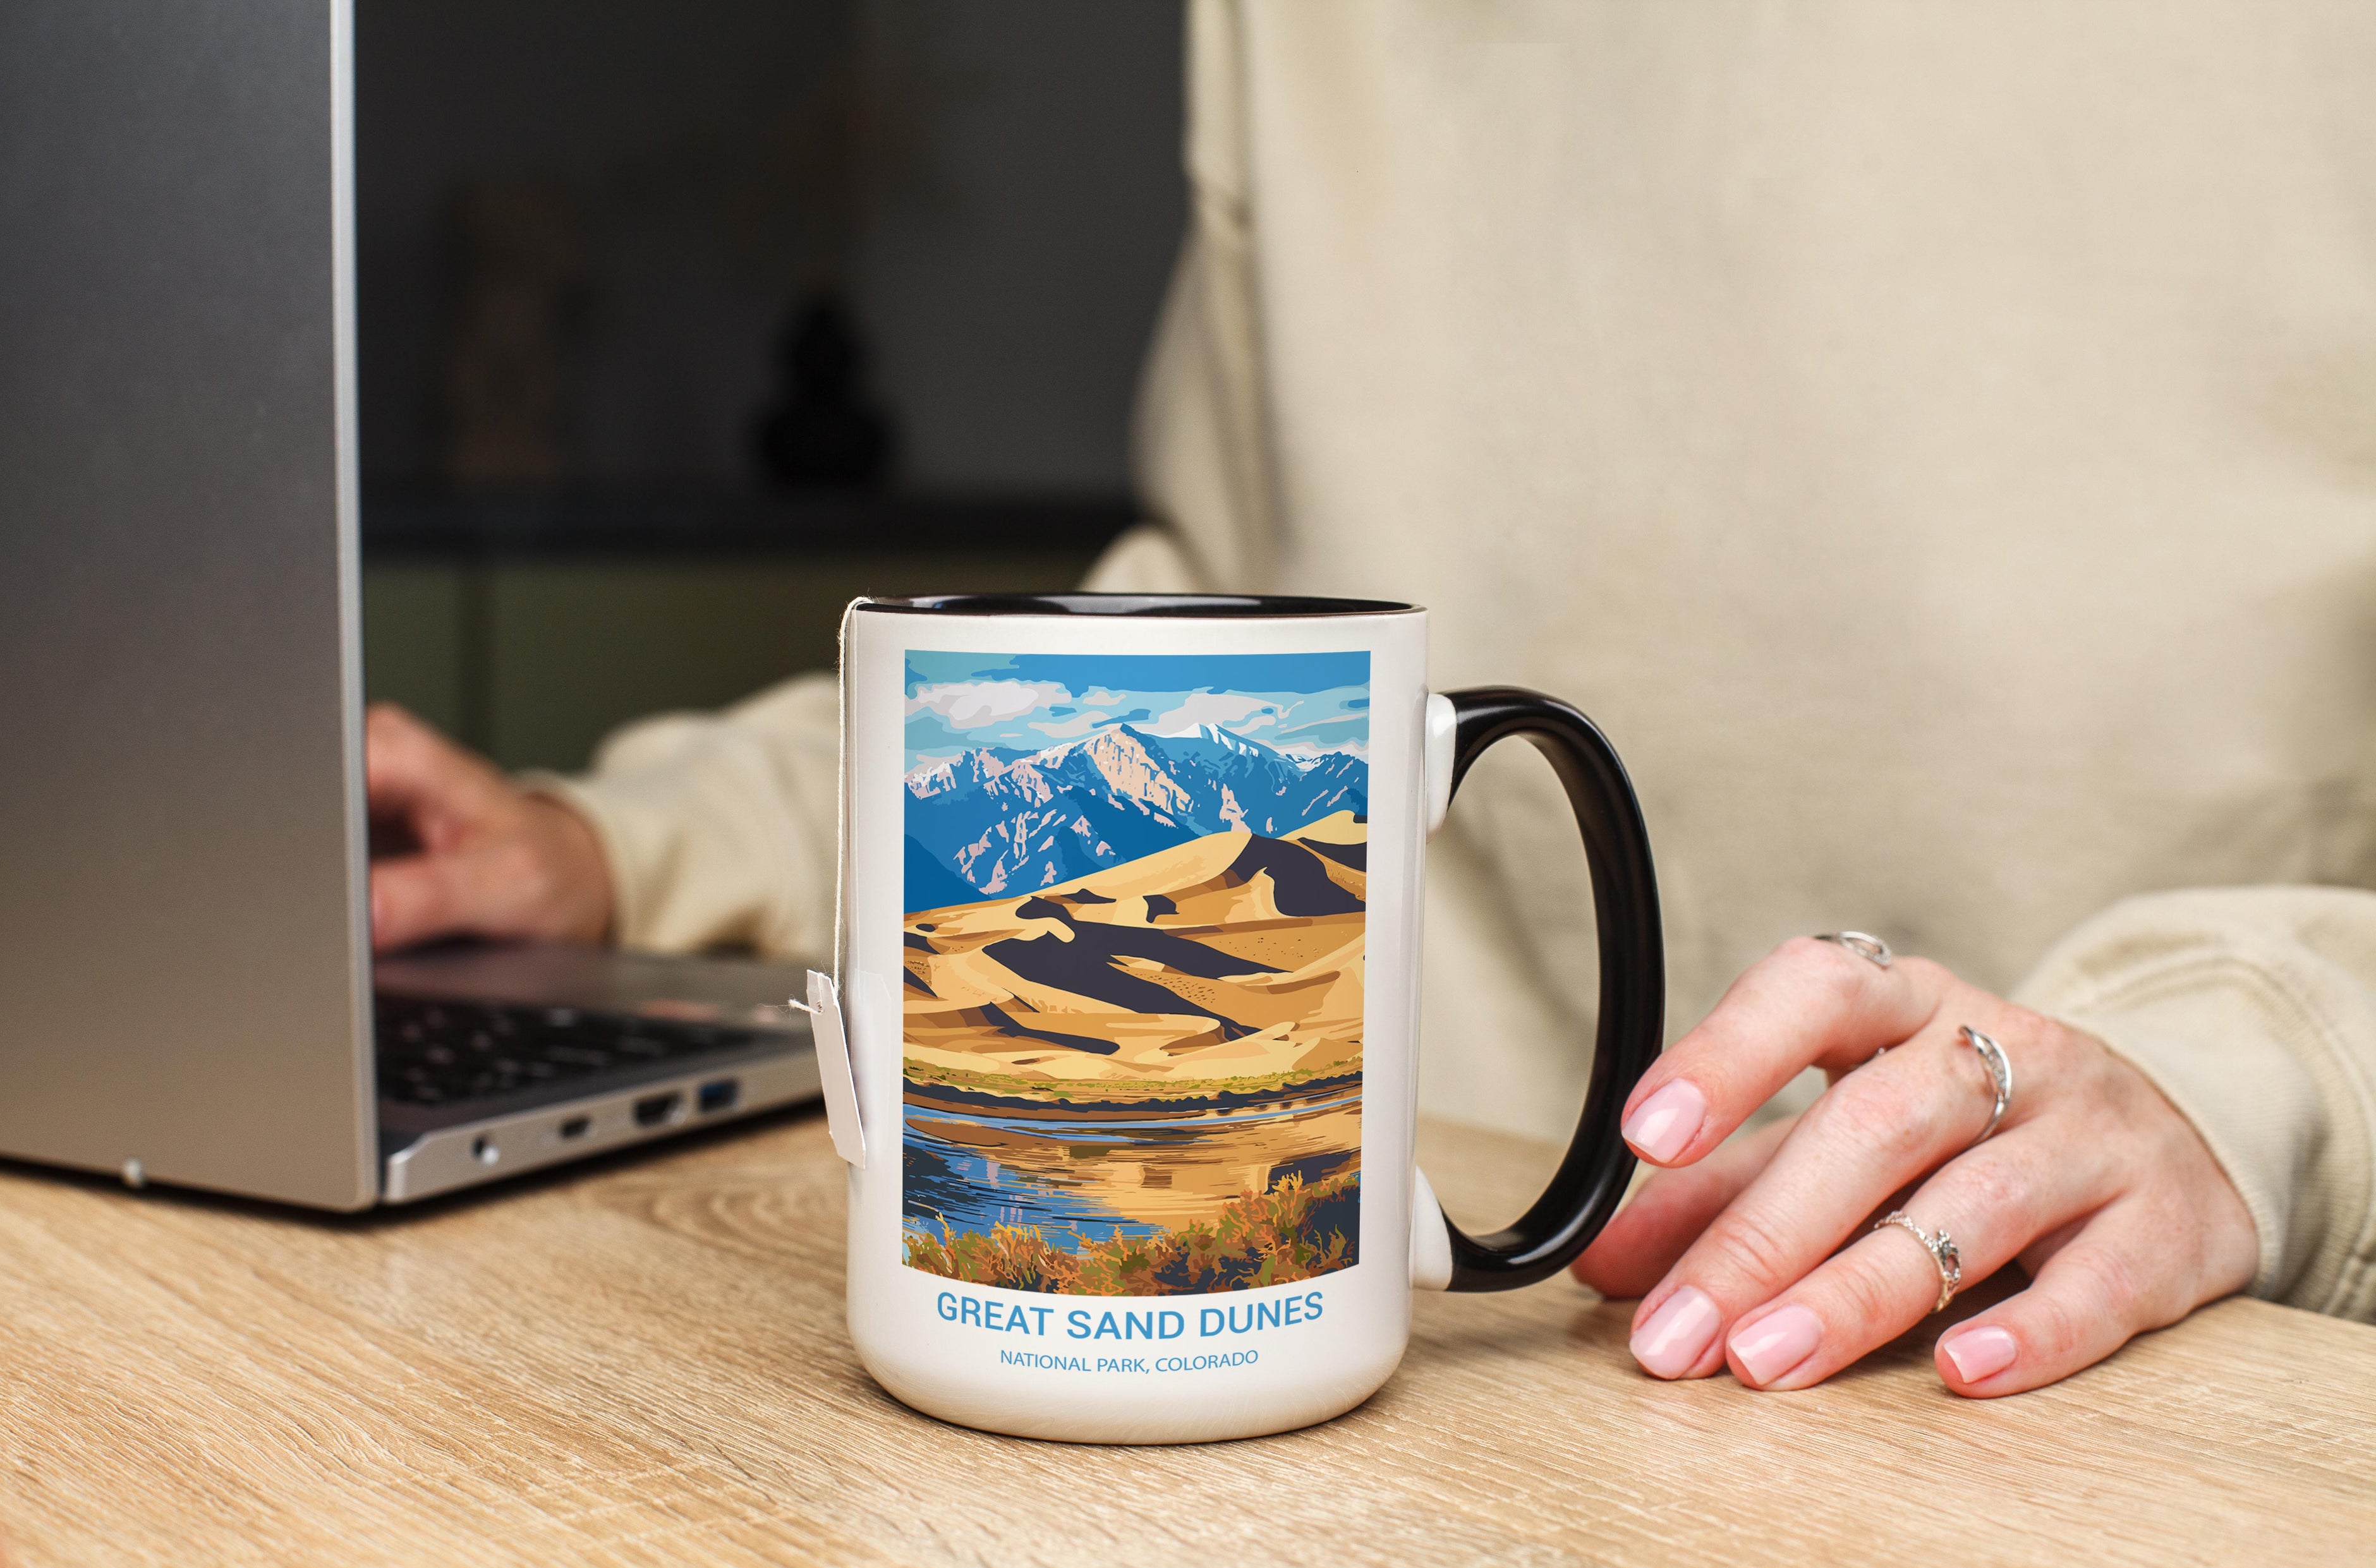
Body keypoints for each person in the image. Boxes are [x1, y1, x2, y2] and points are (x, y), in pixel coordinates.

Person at [368, 2, 2376, 1393]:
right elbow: (1192, 619)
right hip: (1481, 1371)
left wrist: (2260, 1075)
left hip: (2102, 1398)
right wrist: (627, 844)